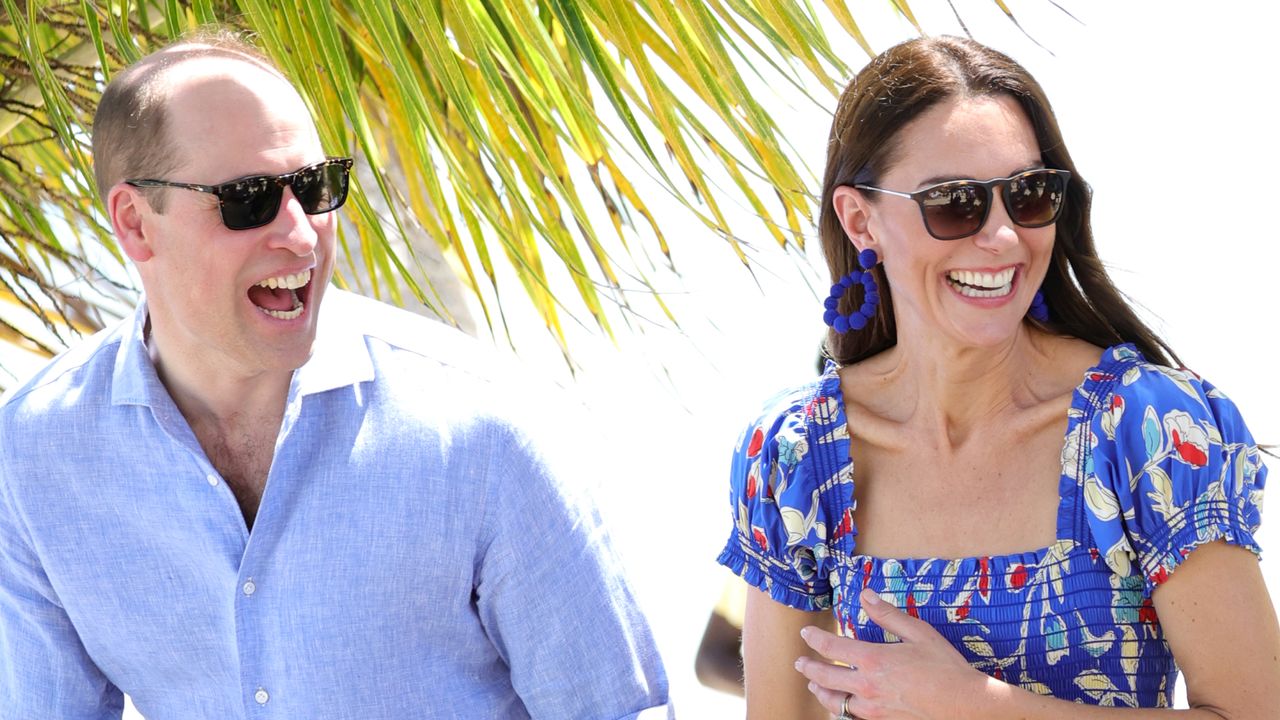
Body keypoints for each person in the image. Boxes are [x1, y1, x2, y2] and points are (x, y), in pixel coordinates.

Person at [0, 30, 670, 719]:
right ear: (136, 224)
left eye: (316, 188)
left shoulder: (482, 428)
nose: (299, 233)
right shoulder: (33, 457)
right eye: (250, 198)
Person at [716, 36, 1278, 718]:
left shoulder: (1148, 433)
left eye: (1029, 195)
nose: (1004, 236)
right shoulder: (796, 455)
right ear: (860, 219)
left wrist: (973, 704)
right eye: (956, 203)